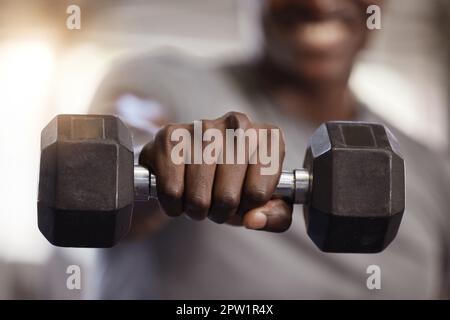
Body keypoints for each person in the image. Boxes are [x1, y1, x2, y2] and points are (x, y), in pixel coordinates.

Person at [89, 0, 450, 299]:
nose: (319, 4)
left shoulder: (429, 169)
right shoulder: (162, 82)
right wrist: (156, 164)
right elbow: (117, 145)